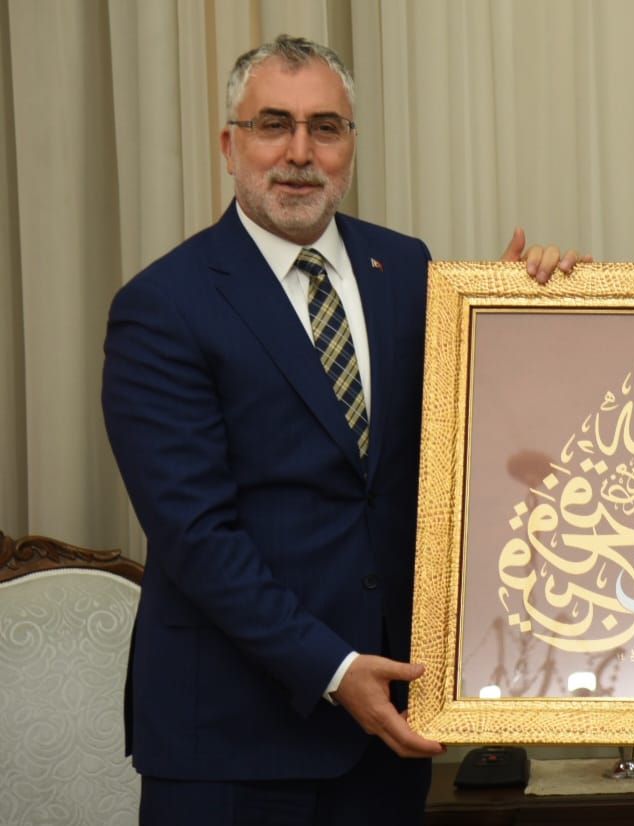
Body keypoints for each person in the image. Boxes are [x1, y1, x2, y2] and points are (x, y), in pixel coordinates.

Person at [101, 34, 586, 825]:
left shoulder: (409, 270)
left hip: (385, 735)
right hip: (231, 742)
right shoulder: (164, 305)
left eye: (325, 128)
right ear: (229, 145)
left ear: (351, 145)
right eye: (273, 125)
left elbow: (461, 453)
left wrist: (516, 319)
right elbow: (195, 536)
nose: (300, 153)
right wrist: (333, 668)